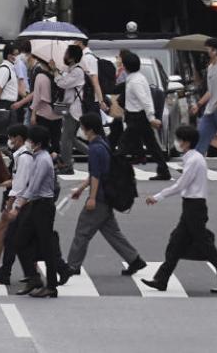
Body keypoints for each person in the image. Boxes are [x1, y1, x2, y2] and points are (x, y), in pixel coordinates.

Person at [141, 125, 217, 294]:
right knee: (176, 243)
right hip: (193, 206)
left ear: (187, 142)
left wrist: (158, 197)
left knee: (205, 246)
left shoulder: (194, 160)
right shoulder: (194, 158)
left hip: (194, 207)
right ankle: (161, 280)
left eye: (179, 139)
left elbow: (181, 184)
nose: (177, 142)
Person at [62, 113, 145, 285]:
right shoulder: (102, 143)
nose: (81, 130)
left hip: (100, 197)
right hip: (107, 196)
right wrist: (81, 189)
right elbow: (96, 173)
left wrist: (91, 198)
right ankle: (134, 259)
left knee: (82, 231)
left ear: (89, 129)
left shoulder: (95, 149)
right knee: (112, 232)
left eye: (82, 127)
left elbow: (96, 176)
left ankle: (72, 265)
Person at [10, 125, 58, 298]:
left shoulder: (43, 160)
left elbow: (34, 187)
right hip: (36, 205)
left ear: (37, 143)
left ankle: (51, 286)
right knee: (19, 241)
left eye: (30, 140)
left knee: (46, 247)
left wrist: (18, 205)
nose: (28, 143)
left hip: (43, 206)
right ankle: (33, 277)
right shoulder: (37, 157)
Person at [0, 124, 32, 284]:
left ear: (18, 138)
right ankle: (25, 272)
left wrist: (11, 203)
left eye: (11, 138)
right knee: (14, 238)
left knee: (5, 235)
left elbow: (19, 183)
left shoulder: (24, 156)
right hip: (17, 201)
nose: (9, 141)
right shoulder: (20, 155)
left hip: (17, 201)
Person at [118, 51, 170, 180]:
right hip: (137, 117)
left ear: (125, 66)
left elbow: (145, 100)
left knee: (123, 144)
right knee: (152, 145)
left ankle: (115, 171)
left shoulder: (135, 82)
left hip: (137, 117)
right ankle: (163, 170)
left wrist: (151, 118)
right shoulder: (138, 78)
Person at [193, 37, 217, 157]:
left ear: (215, 51)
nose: (206, 52)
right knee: (201, 136)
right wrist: (198, 104)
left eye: (208, 49)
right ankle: (195, 163)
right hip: (210, 110)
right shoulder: (210, 67)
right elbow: (210, 91)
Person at [52, 44, 85, 174]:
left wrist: (55, 72)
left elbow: (62, 83)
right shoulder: (71, 69)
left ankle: (67, 166)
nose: (64, 56)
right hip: (69, 108)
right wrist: (56, 70)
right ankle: (96, 153)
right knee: (71, 139)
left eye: (66, 54)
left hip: (74, 110)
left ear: (71, 58)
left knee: (66, 139)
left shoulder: (77, 71)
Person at [77, 37, 107, 112]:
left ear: (80, 42)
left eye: (74, 41)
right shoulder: (84, 56)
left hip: (91, 99)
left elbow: (95, 81)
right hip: (88, 98)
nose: (73, 43)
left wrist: (101, 101)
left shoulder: (88, 57)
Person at [0, 43, 19, 111]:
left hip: (10, 105)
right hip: (4, 105)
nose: (17, 57)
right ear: (9, 56)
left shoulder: (11, 68)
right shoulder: (4, 69)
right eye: (16, 54)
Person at [14, 40, 31, 124]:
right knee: (21, 120)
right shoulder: (20, 62)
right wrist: (25, 97)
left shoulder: (20, 61)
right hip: (23, 94)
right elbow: (20, 81)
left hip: (23, 94)